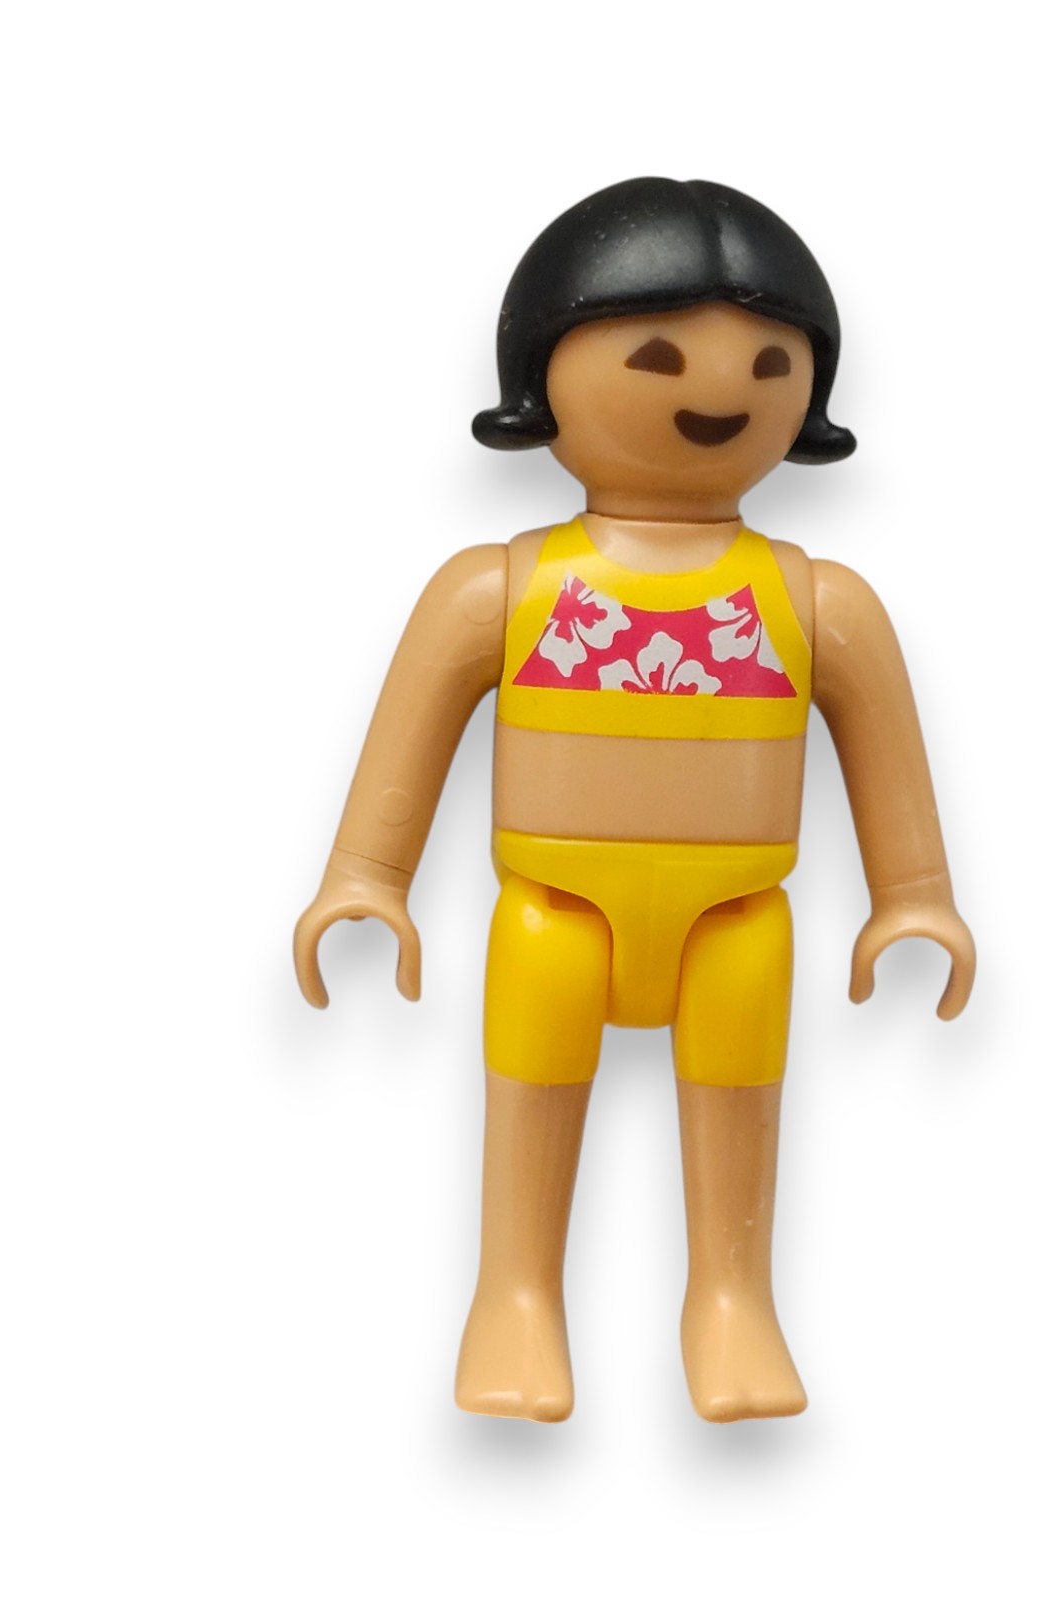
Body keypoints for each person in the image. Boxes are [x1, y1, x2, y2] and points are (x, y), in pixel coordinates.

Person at [294, 177, 975, 1422]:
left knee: (737, 1109)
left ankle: (732, 1300)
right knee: (530, 1095)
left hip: (736, 915)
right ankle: (514, 1297)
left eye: (769, 363)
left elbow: (887, 753)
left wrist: (913, 896)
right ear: (542, 372)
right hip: (552, 907)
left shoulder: (815, 601)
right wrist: (367, 877)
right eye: (655, 356)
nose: (718, 391)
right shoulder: (503, 587)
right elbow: (409, 739)